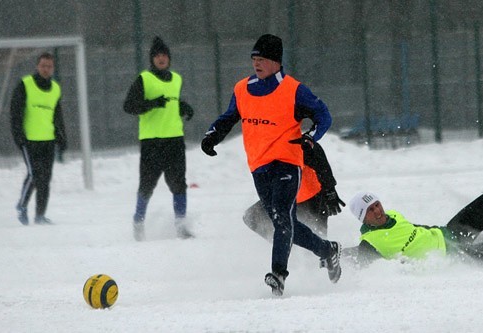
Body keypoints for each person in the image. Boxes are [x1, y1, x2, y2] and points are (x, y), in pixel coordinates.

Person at [201, 34, 342, 296]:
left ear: (276, 62)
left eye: (262, 59)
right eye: (254, 59)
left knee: (280, 217)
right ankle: (327, 249)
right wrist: (212, 136)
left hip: (287, 163)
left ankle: (278, 274)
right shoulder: (242, 89)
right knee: (284, 221)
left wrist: (311, 136)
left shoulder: (294, 89)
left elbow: (324, 115)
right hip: (259, 167)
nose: (256, 63)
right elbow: (229, 117)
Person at [123, 36, 195, 241]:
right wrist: (152, 103)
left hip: (174, 140)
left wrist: (183, 107)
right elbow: (129, 106)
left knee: (179, 184)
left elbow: (172, 102)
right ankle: (138, 222)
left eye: (164, 55)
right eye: (157, 55)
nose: (161, 58)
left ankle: (181, 226)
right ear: (151, 59)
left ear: (169, 58)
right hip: (152, 141)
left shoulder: (177, 79)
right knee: (147, 184)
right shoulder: (144, 79)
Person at [345, 192, 483, 268]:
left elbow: (414, 229)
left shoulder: (393, 215)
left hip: (449, 234)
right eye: (370, 210)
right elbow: (358, 260)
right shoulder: (370, 243)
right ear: (363, 218)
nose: (378, 210)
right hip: (454, 255)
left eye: (377, 204)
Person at [243, 136, 345, 240]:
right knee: (251, 217)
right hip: (285, 198)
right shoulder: (264, 146)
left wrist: (330, 190)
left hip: (313, 199)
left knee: (318, 240)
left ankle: (297, 244)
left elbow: (319, 158)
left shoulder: (294, 141)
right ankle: (287, 243)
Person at [10, 52, 67, 225]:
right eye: (43, 65)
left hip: (47, 140)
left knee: (45, 178)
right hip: (29, 140)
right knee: (34, 174)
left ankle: (40, 215)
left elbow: (58, 115)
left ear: (53, 68)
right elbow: (15, 113)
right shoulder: (25, 85)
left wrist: (62, 136)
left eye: (49, 66)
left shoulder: (56, 88)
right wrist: (18, 136)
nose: (46, 69)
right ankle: (21, 205)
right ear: (37, 66)